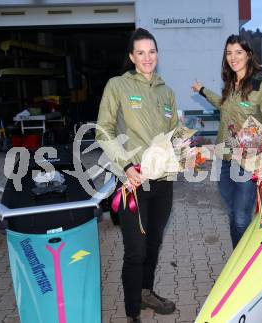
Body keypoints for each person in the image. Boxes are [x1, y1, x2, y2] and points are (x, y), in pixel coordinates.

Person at [96, 28, 177, 323]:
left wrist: (186, 148)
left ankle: (146, 292)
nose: (147, 57)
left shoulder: (167, 91)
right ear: (131, 56)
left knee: (154, 243)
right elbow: (102, 130)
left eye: (152, 51)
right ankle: (132, 312)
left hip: (163, 182)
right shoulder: (117, 85)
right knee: (136, 250)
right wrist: (127, 166)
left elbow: (174, 133)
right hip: (133, 181)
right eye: (140, 52)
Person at [192, 34, 262, 248]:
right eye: (229, 53)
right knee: (234, 212)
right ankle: (241, 252)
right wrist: (202, 91)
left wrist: (261, 160)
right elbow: (223, 105)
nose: (233, 57)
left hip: (248, 161)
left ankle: (244, 262)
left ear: (249, 54)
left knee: (240, 217)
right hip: (225, 158)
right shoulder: (231, 82)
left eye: (238, 52)